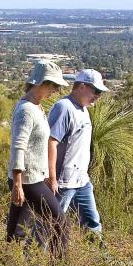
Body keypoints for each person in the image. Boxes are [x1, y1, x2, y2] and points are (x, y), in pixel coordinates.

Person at [6, 59, 70, 255]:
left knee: (17, 227)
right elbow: (18, 146)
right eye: (54, 86)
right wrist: (17, 184)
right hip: (27, 180)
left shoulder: (35, 107)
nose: (56, 91)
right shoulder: (26, 110)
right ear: (42, 83)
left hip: (32, 178)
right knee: (59, 221)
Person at [48, 68, 108, 240]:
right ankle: (35, 262)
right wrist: (52, 179)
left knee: (92, 221)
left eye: (100, 92)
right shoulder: (64, 107)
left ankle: (101, 259)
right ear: (81, 87)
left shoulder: (83, 109)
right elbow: (51, 142)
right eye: (95, 91)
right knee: (51, 223)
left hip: (81, 180)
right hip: (63, 182)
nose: (97, 96)